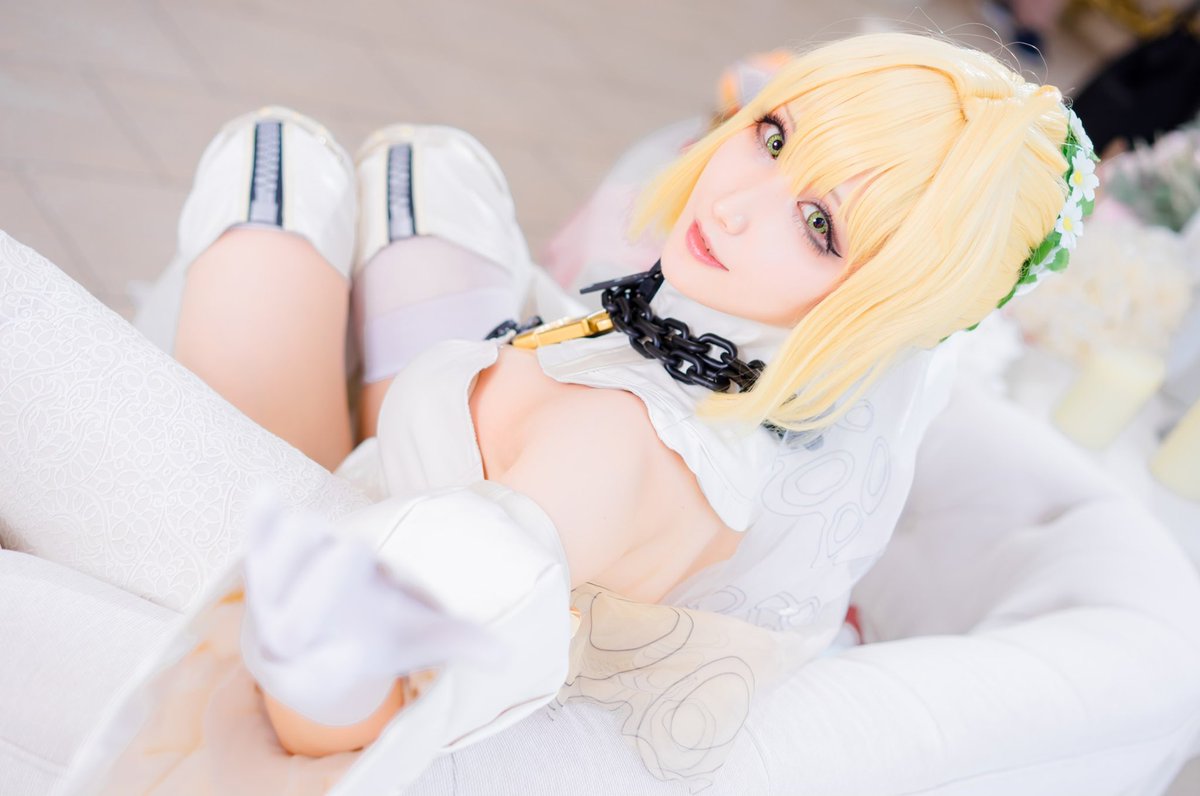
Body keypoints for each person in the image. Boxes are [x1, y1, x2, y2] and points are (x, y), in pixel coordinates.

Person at [62, 30, 1096, 792]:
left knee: (267, 168)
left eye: (820, 226)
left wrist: (321, 652)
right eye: (774, 137)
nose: (735, 203)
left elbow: (361, 720)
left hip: (335, 532)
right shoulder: (721, 354)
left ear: (890, 307)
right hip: (439, 455)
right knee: (427, 170)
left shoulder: (616, 451)